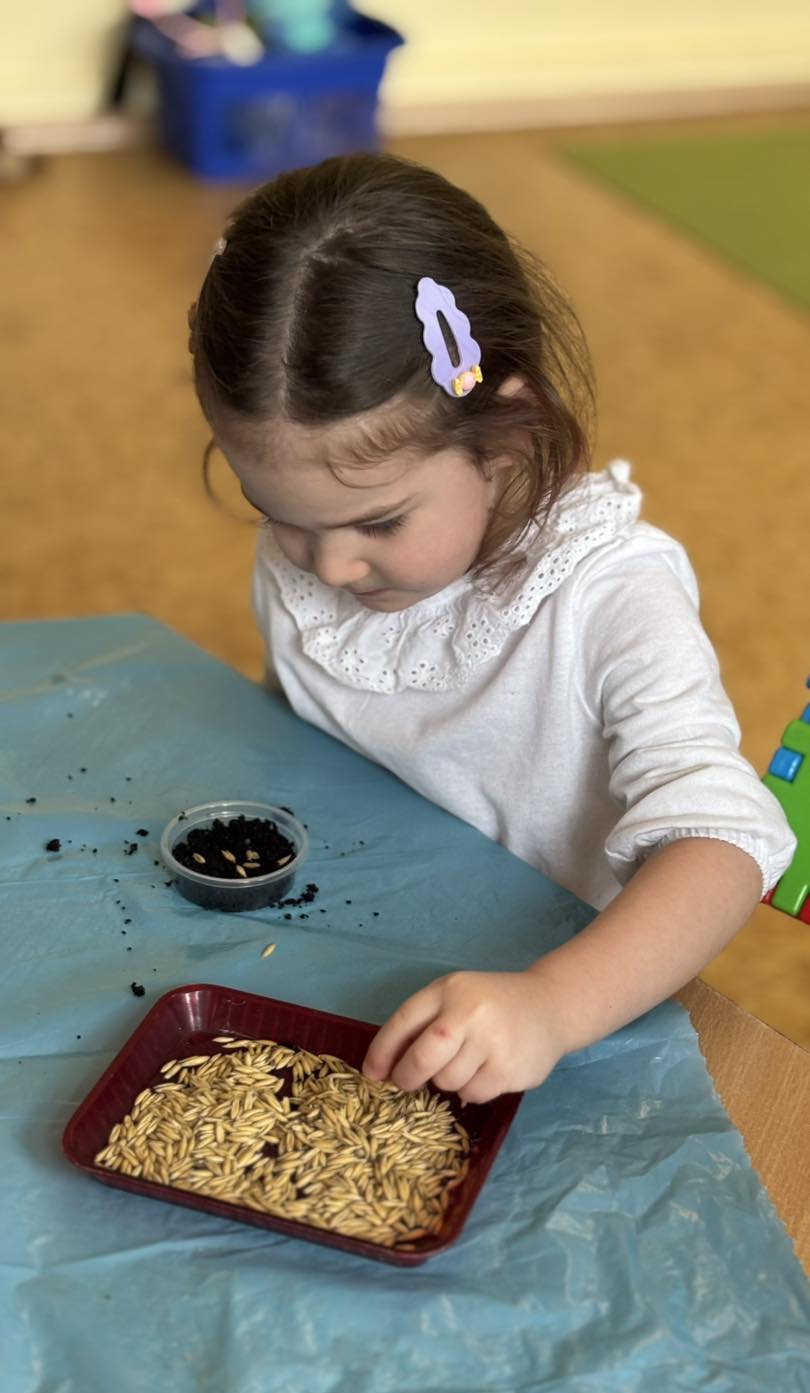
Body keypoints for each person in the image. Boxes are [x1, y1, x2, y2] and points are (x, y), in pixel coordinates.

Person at [188, 152, 795, 1105]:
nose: (328, 568)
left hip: (546, 1013)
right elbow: (317, 730)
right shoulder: (319, 543)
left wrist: (553, 1005)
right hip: (351, 950)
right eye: (279, 514)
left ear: (507, 439)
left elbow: (724, 842)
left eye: (380, 522)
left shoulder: (611, 598)